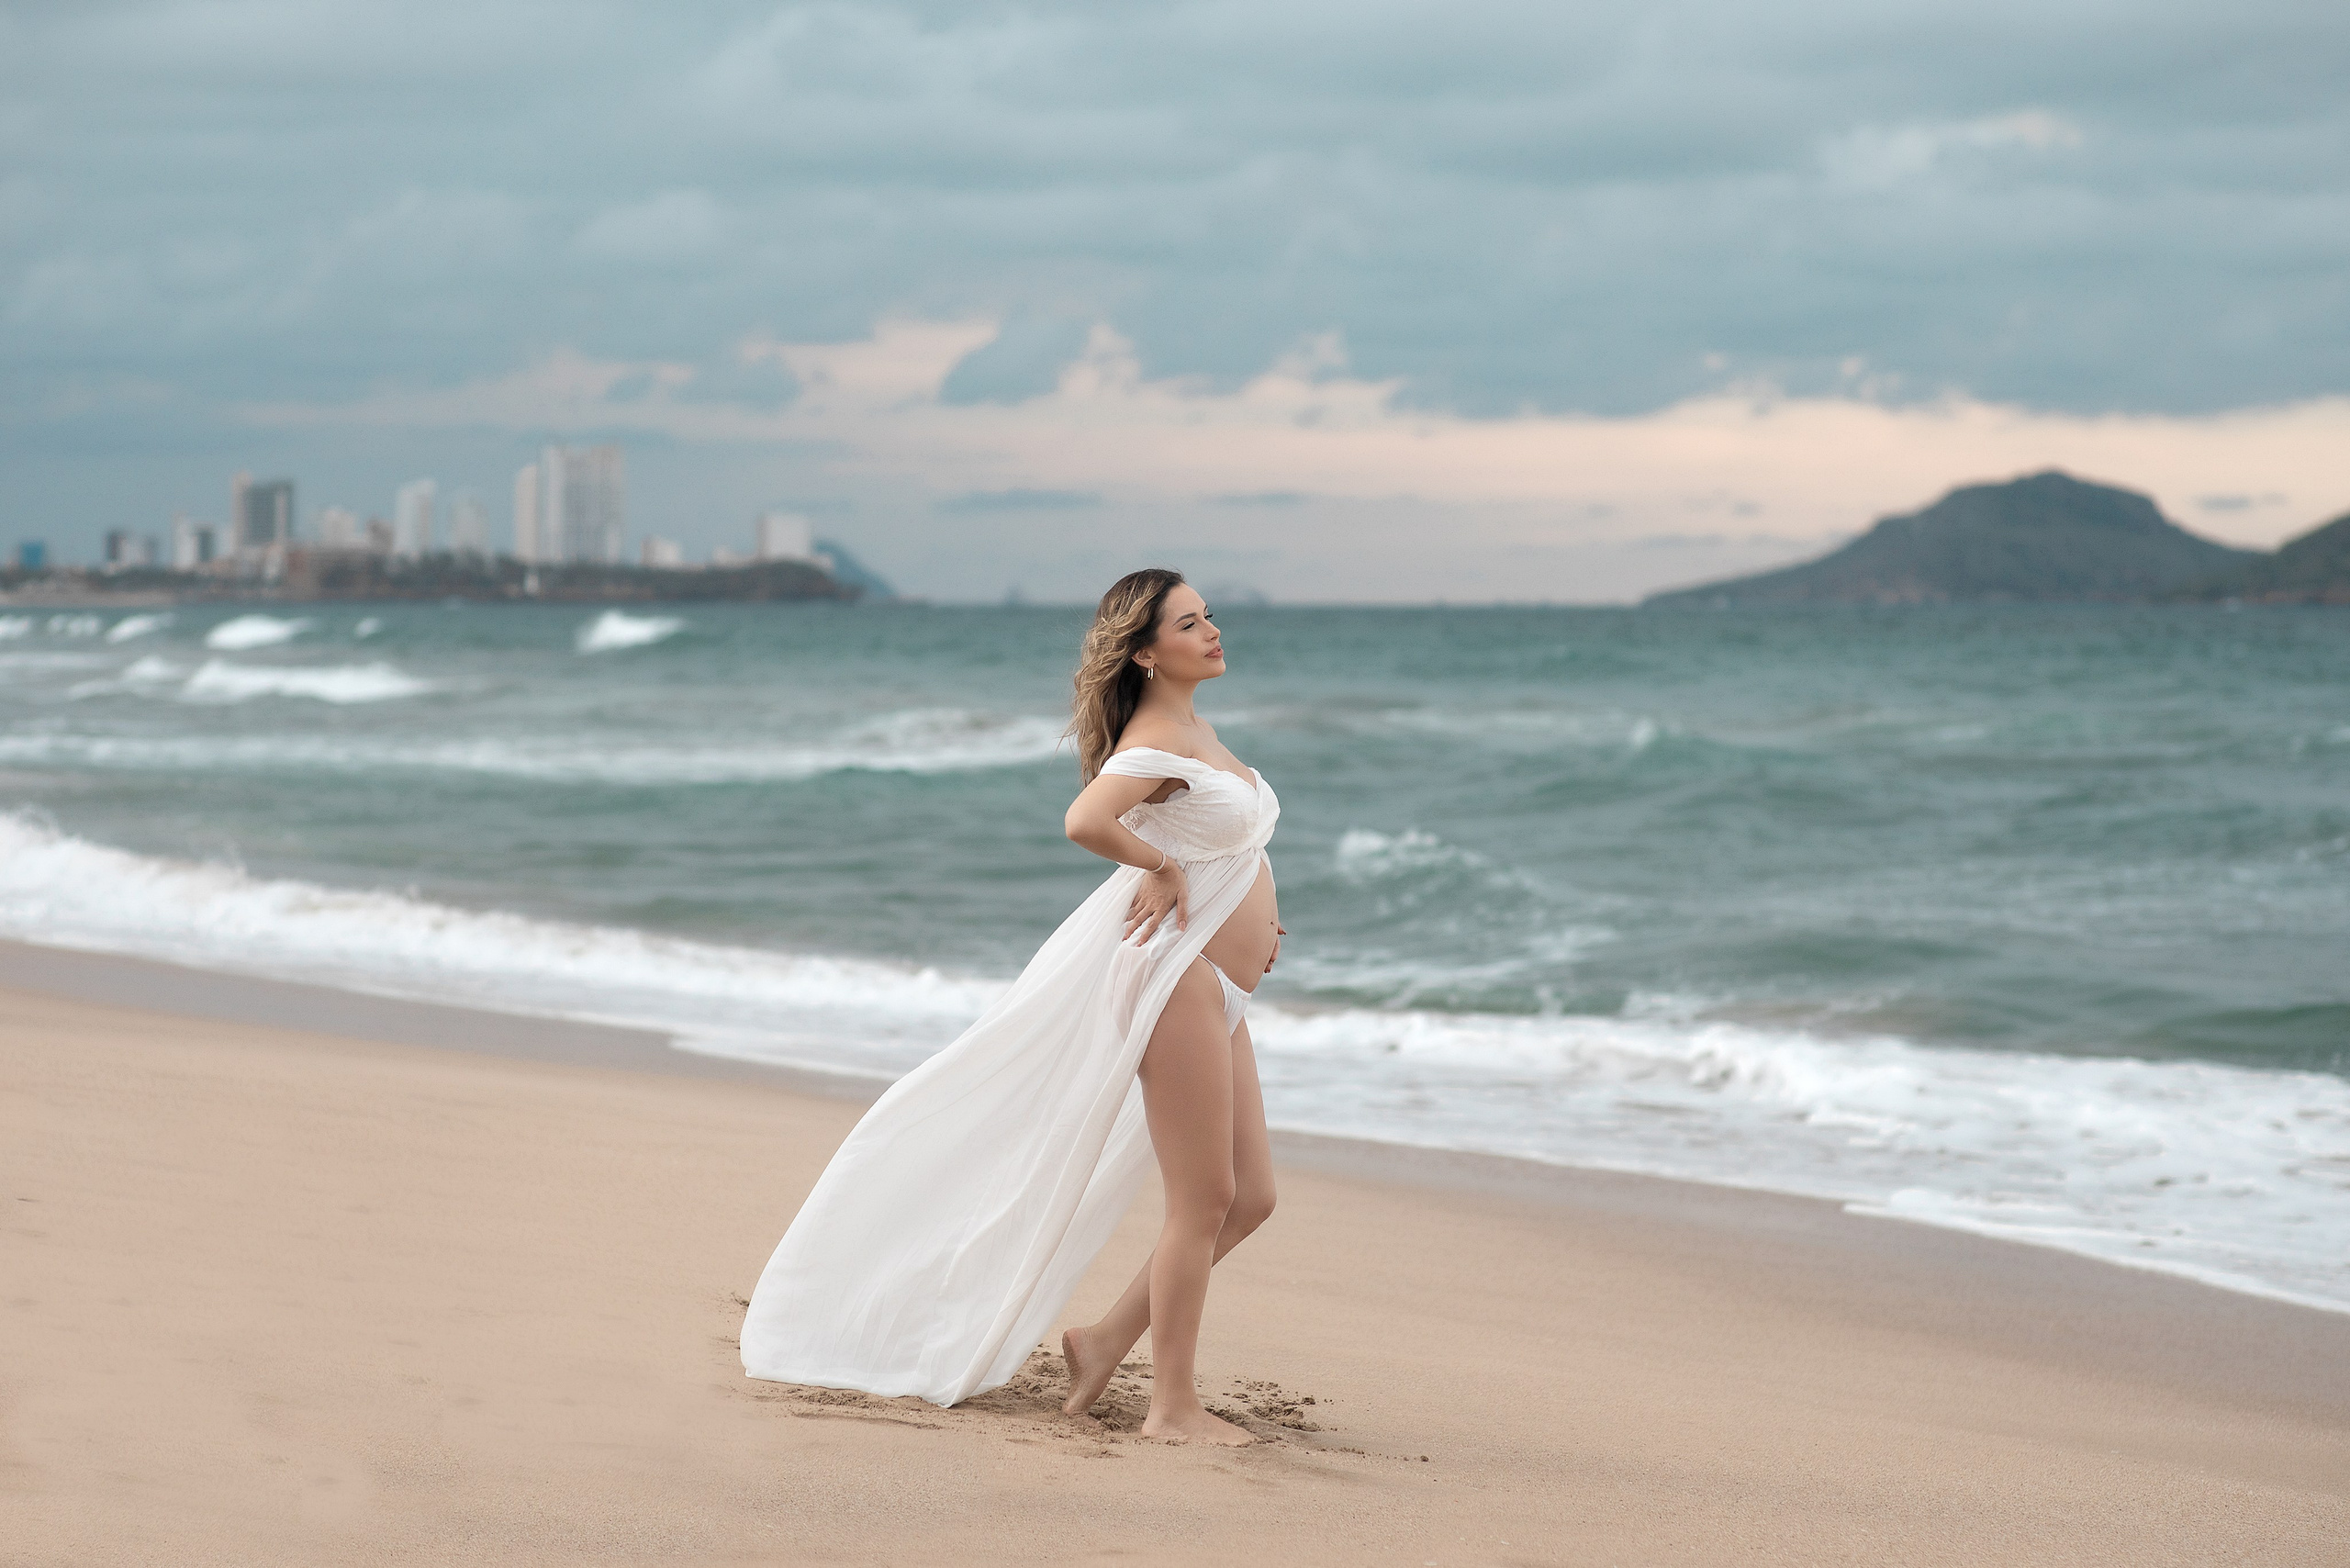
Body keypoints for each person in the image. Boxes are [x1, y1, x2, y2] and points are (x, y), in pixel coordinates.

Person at [739, 568, 1283, 1445]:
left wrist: (1247, 908)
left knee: (1251, 1195)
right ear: (1146, 652)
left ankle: (1103, 1341)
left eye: (1209, 615)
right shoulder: (1153, 741)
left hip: (1217, 979)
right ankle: (1172, 1409)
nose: (1213, 631)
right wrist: (1161, 868)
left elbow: (1224, 843)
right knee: (1205, 1198)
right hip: (1170, 979)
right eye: (1191, 623)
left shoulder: (1198, 729)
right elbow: (1085, 819)